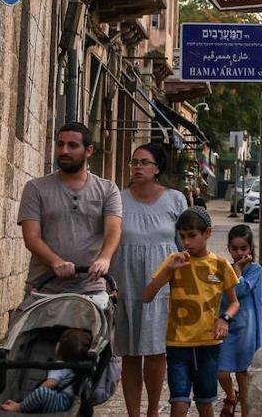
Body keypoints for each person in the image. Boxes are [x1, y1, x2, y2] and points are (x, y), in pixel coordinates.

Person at [111, 143, 188, 417]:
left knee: (156, 352)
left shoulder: (176, 200)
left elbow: (184, 243)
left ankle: (153, 411)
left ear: (157, 168)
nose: (137, 167)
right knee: (130, 353)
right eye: (134, 162)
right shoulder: (118, 199)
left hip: (162, 285)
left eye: (144, 162)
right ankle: (134, 414)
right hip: (127, 282)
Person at [144, 207, 239, 417]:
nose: (187, 242)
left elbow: (234, 302)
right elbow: (147, 295)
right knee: (179, 402)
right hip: (178, 344)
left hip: (208, 345)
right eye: (183, 236)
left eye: (192, 236)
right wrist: (169, 269)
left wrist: (224, 319)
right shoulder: (174, 262)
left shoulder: (220, 265)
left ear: (207, 234)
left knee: (205, 401)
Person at [18, 122, 122, 297]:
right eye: (60, 144)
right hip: (44, 286)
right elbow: (31, 237)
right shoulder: (36, 188)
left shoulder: (107, 190)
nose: (64, 151)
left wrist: (104, 258)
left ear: (88, 151)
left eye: (72, 145)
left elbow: (113, 229)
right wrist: (56, 262)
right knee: (22, 324)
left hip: (90, 288)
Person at [217, 225, 262, 417]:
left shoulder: (255, 270)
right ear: (229, 248)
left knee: (243, 375)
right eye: (235, 249)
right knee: (221, 371)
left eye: (243, 248)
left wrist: (236, 269)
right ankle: (230, 396)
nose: (239, 252)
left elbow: (242, 289)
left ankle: (245, 412)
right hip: (228, 326)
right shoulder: (224, 268)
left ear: (250, 249)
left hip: (247, 330)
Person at [0, 328, 91, 413]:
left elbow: (51, 383)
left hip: (61, 402)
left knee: (41, 393)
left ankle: (19, 407)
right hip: (69, 401)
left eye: (59, 342)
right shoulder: (76, 366)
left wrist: (33, 396)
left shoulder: (59, 366)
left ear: (60, 349)